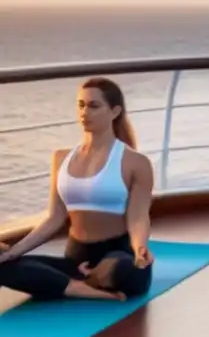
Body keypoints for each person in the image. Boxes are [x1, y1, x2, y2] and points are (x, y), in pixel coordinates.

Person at [0, 78, 154, 301]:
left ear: (115, 111)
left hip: (117, 255)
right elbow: (54, 217)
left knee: (124, 271)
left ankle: (76, 283)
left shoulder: (135, 162)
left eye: (94, 106)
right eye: (81, 105)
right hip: (76, 257)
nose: (84, 112)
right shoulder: (61, 158)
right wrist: (15, 251)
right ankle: (86, 288)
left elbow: (138, 217)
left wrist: (140, 248)